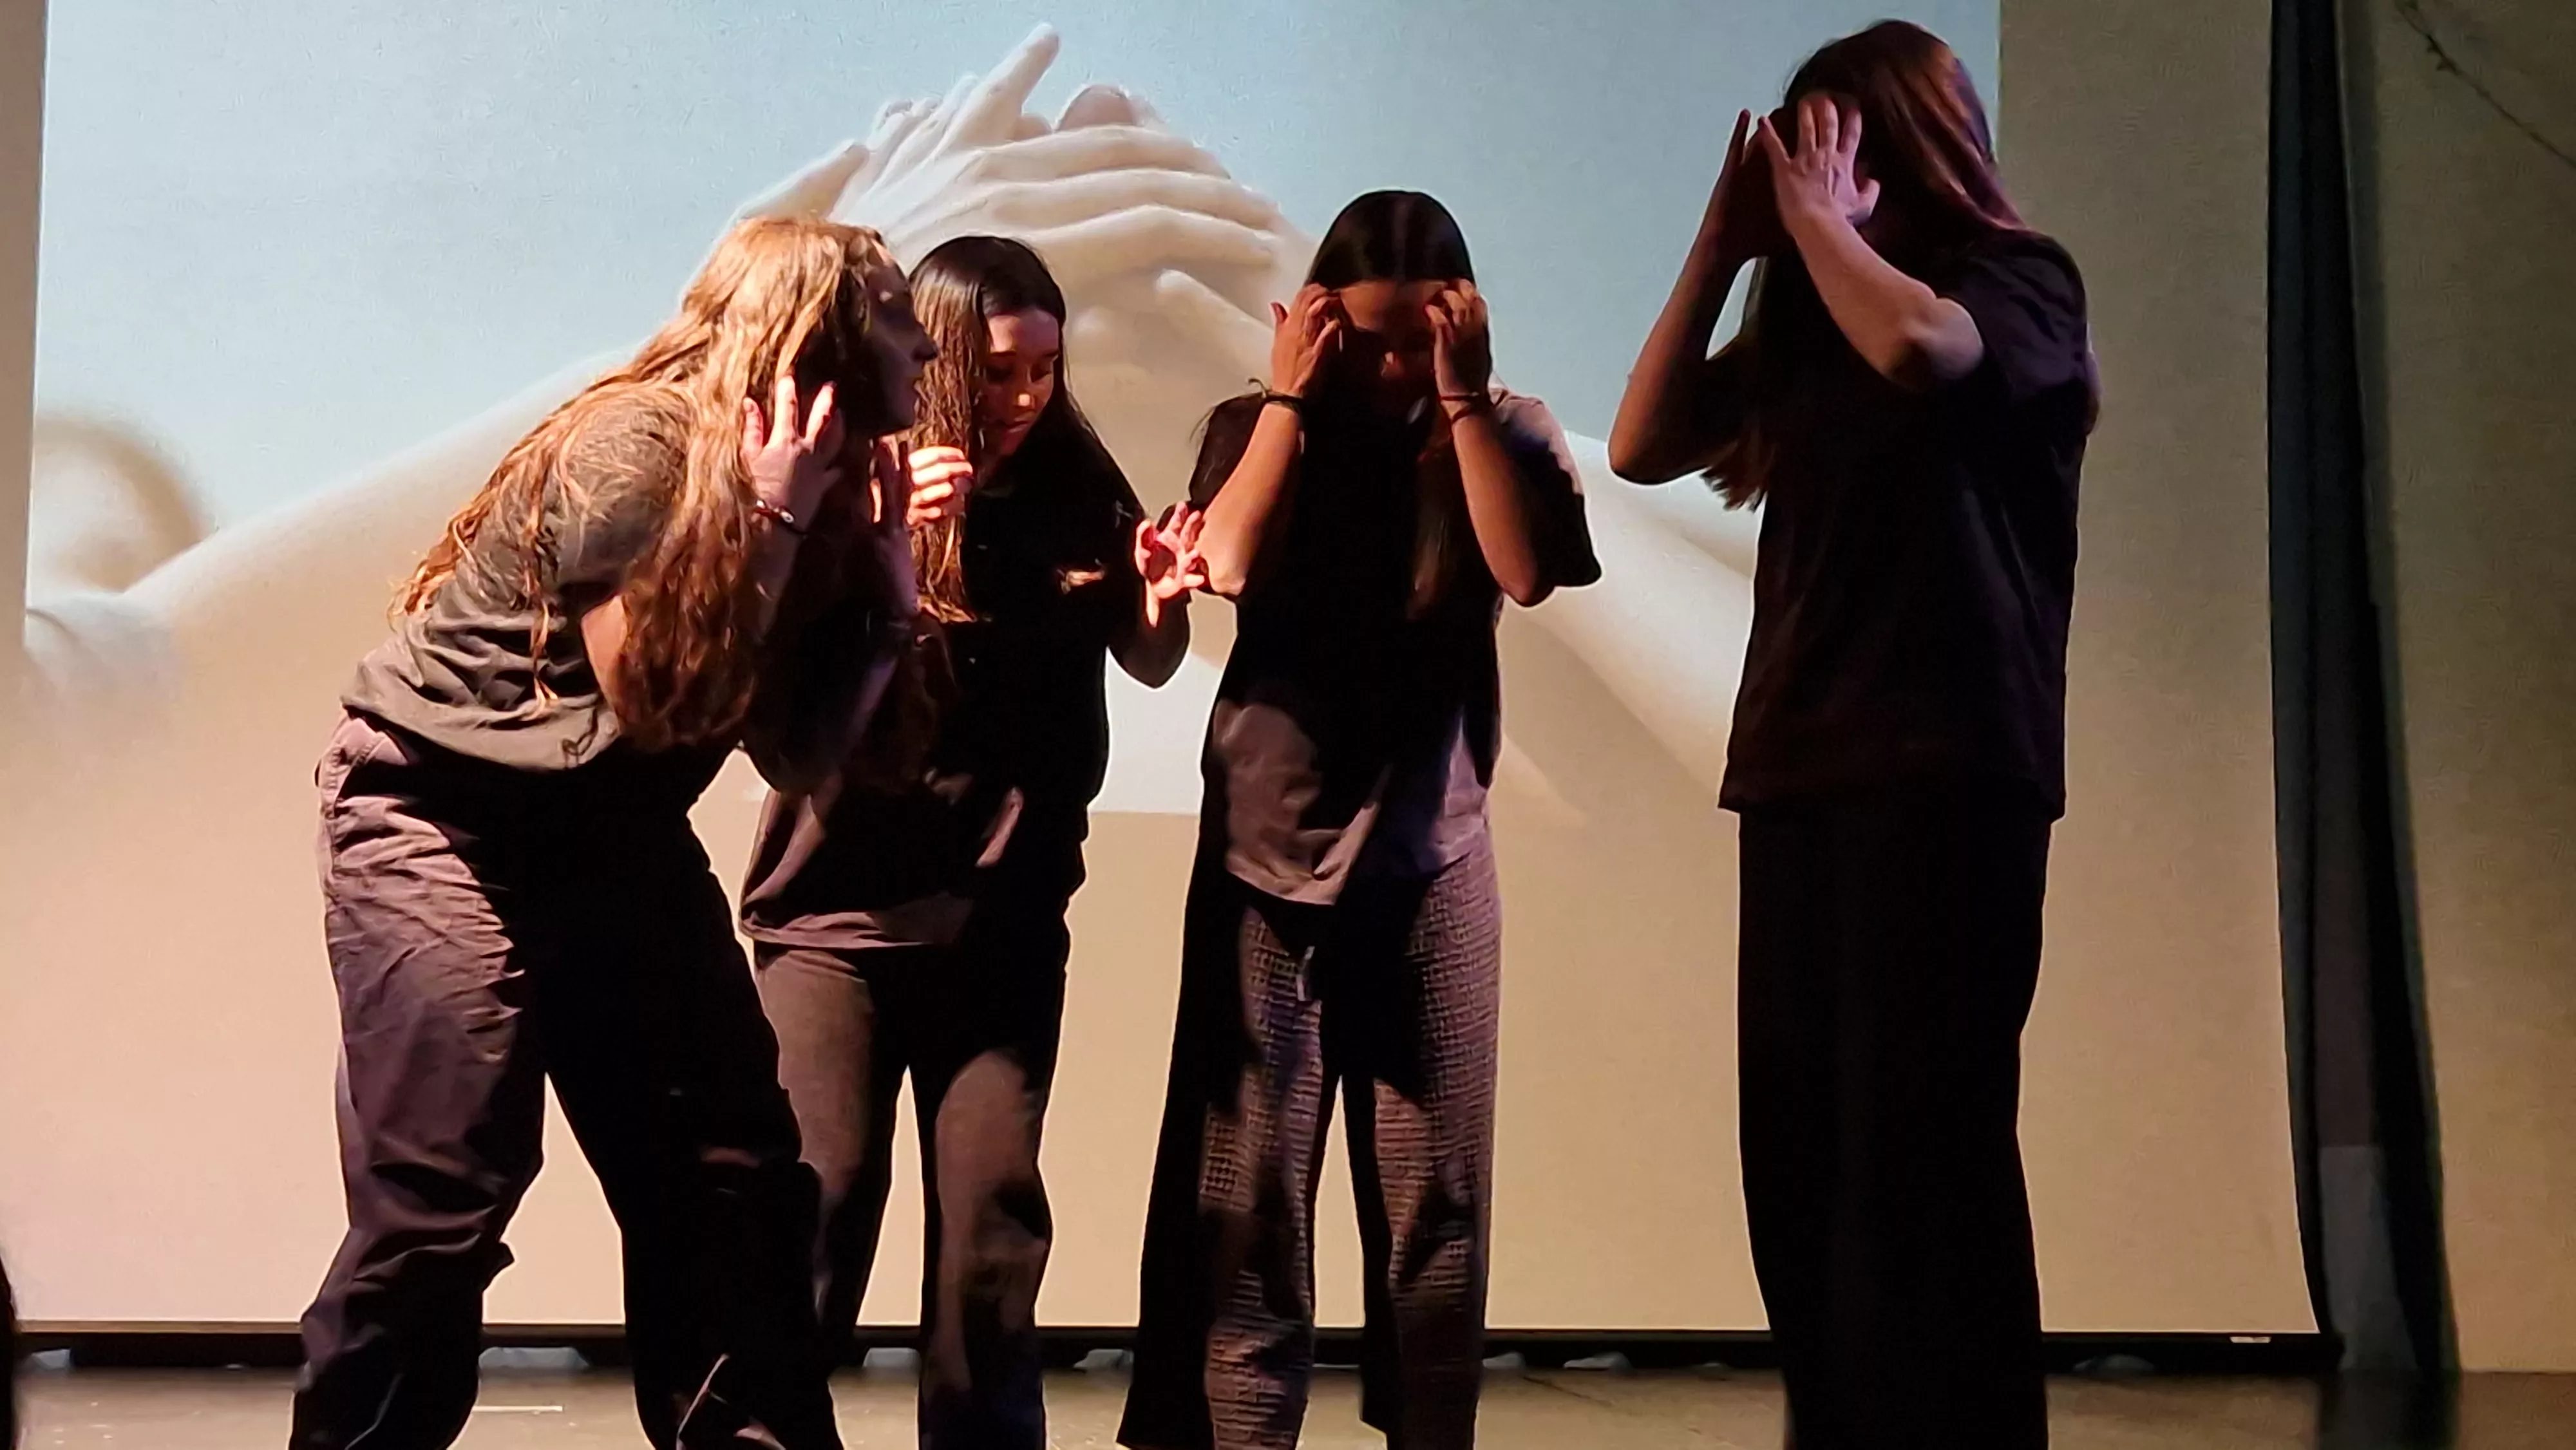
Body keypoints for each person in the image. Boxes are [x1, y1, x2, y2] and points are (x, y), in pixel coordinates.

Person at [289, 215, 937, 1450]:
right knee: (443, 1193)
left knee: (732, 1175)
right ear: (821, 336)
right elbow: (656, 697)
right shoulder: (638, 449)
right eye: (896, 311)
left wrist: (886, 605)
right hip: (439, 810)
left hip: (610, 831)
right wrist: (777, 526)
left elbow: (798, 755)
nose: (921, 341)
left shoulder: (838, 475)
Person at [1611, 21, 2095, 1450]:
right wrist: (1722, 249)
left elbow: (1924, 352)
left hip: (1948, 769)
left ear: (1898, 146)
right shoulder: (1805, 317)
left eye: (1834, 146)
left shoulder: (2014, 282)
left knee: (1922, 1144)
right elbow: (1640, 442)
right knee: (1800, 1152)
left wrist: (1815, 225)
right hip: (1800, 767)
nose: (1811, 176)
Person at [1121, 191, 1600, 1450]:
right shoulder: (1254, 430)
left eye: (1416, 340)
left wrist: (1463, 397)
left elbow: (1521, 570)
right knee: (1250, 1205)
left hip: (1428, 861)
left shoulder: (1500, 436)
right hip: (1263, 865)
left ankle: (1429, 1431)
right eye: (1371, 342)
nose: (1392, 367)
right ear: (1314, 328)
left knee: (1436, 1201)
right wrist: (1285, 400)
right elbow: (1223, 564)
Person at [739, 234, 1203, 1449]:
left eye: (1046, 369)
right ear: (938, 364)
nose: (1025, 397)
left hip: (1001, 921)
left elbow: (1148, 659)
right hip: (835, 922)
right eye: (999, 372)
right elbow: (771, 687)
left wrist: (1157, 599)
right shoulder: (857, 484)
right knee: (821, 1207)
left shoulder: (1073, 482)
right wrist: (875, 538)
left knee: (991, 1236)